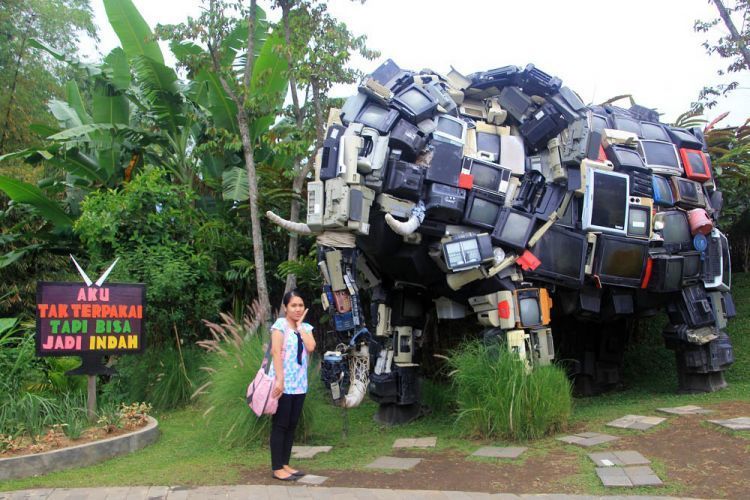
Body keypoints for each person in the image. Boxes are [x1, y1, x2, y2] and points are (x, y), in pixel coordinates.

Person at [268, 290, 316, 481]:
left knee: (291, 425)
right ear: (286, 307)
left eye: (300, 305)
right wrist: (280, 380)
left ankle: (285, 464)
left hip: (299, 384)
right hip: (283, 384)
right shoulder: (279, 326)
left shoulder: (305, 327)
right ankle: (277, 467)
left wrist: (299, 326)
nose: (297, 309)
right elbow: (276, 352)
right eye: (293, 305)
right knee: (280, 425)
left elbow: (311, 347)